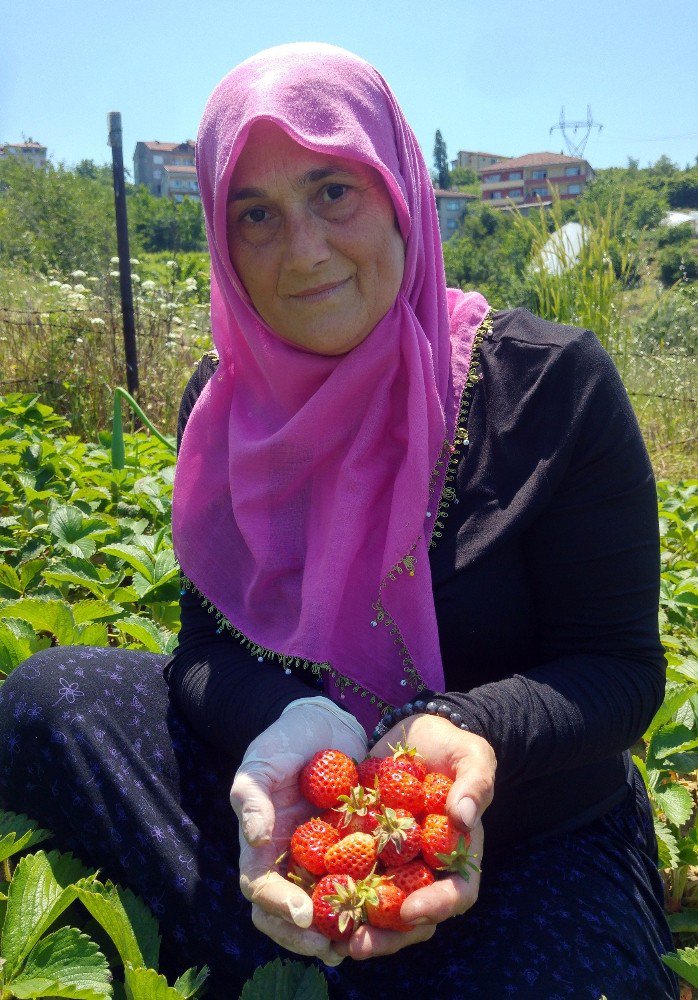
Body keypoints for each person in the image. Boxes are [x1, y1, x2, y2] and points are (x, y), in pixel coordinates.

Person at [0, 43, 679, 999]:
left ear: (399, 188)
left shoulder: (549, 387)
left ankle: (277, 956)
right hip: (290, 797)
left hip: (535, 830)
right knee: (48, 701)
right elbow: (202, 650)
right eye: (257, 215)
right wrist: (290, 728)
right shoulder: (222, 406)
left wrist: (471, 729)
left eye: (331, 192)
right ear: (220, 238)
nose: (304, 251)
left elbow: (618, 670)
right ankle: (308, 927)